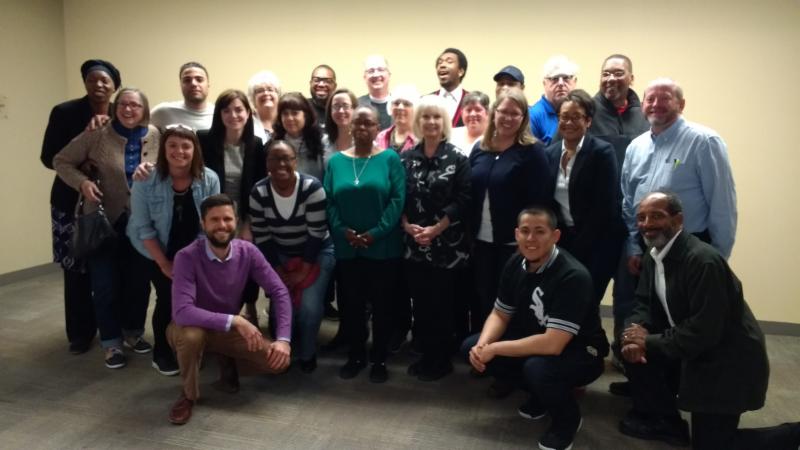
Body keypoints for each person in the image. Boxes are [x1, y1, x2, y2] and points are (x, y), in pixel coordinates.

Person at [618, 191, 800, 449]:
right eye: (641, 217)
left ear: (678, 220)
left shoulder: (703, 261)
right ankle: (667, 422)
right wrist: (633, 334)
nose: (647, 224)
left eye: (656, 216)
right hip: (693, 348)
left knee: (712, 446)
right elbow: (643, 303)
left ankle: (793, 434)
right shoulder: (654, 255)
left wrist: (647, 340)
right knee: (630, 350)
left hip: (727, 361)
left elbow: (704, 331)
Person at [463, 207, 608, 450]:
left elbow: (553, 344)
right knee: (471, 347)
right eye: (525, 231)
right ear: (516, 234)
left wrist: (495, 348)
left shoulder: (573, 275)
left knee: (537, 368)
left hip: (582, 351)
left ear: (555, 236)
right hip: (538, 337)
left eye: (540, 231)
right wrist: (482, 345)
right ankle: (542, 396)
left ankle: (568, 420)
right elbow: (500, 313)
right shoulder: (515, 262)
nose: (531, 238)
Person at [54, 87, 159, 369]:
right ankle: (111, 342)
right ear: (115, 107)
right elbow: (61, 160)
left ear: (144, 109)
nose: (128, 109)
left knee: (138, 283)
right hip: (102, 222)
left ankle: (133, 332)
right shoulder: (97, 134)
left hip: (141, 223)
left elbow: (168, 169)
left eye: (135, 105)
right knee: (104, 285)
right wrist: (83, 183)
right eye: (123, 104)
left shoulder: (156, 135)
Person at [166, 194, 292, 425]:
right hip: (190, 326)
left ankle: (226, 358)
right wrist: (236, 320)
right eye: (214, 220)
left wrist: (283, 339)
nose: (222, 225)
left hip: (226, 328)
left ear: (236, 222)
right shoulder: (186, 257)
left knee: (278, 363)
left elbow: (279, 291)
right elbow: (182, 312)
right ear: (203, 224)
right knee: (192, 337)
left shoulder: (248, 251)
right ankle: (188, 395)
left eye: (227, 219)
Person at [40, 58, 121, 355]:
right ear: (84, 83)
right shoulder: (65, 112)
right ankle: (80, 333)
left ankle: (114, 329)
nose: (98, 84)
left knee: (110, 268)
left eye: (104, 80)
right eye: (92, 79)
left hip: (111, 203)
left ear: (115, 86)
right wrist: (84, 145)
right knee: (75, 267)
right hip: (70, 201)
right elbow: (49, 157)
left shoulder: (122, 111)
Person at [127, 125, 220, 376]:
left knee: (195, 298)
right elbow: (143, 228)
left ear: (195, 149)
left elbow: (209, 223)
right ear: (163, 149)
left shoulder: (209, 178)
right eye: (173, 145)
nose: (179, 151)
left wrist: (195, 260)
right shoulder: (146, 179)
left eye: (186, 146)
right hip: (154, 248)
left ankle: (191, 346)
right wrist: (165, 264)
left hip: (193, 248)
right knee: (168, 297)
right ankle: (162, 352)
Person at [324, 105, 405, 383]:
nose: (362, 128)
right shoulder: (336, 162)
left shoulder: (390, 159)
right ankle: (356, 355)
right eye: (357, 123)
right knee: (352, 306)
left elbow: (397, 200)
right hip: (348, 248)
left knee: (383, 307)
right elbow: (329, 201)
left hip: (383, 248)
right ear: (350, 126)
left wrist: (376, 233)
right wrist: (342, 231)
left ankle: (379, 358)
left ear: (377, 128)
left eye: (368, 123)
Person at [470, 89, 552, 338]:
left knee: (511, 304)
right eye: (503, 111)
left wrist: (527, 241)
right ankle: (481, 349)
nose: (507, 118)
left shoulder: (533, 151)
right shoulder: (480, 148)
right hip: (480, 242)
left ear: (523, 118)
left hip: (514, 245)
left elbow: (540, 202)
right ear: (493, 113)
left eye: (514, 113)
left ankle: (508, 352)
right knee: (482, 298)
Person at [586, 54, 651, 371]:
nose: (611, 79)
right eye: (606, 73)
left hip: (633, 227)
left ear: (631, 78)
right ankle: (588, 348)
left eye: (618, 73)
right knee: (587, 292)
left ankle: (624, 356)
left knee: (627, 296)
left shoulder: (646, 117)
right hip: (595, 225)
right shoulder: (587, 111)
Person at [249, 140, 335, 373]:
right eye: (274, 159)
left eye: (286, 158)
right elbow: (263, 237)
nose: (281, 164)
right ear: (266, 163)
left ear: (295, 162)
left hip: (317, 252)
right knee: (280, 307)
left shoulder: (312, 187)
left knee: (309, 307)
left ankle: (307, 353)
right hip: (280, 253)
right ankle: (282, 353)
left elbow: (316, 233)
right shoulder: (258, 192)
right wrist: (279, 272)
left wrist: (302, 272)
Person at [401, 95, 470, 380]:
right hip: (414, 244)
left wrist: (436, 229)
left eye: (436, 116)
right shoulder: (405, 158)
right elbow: (399, 197)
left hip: (446, 246)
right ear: (418, 121)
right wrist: (407, 226)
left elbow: (464, 200)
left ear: (445, 122)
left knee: (442, 306)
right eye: (426, 116)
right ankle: (426, 355)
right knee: (421, 305)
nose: (431, 122)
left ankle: (440, 361)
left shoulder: (458, 157)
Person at [544, 89, 625, 307]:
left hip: (598, 243)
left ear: (588, 121)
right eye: (564, 117)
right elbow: (549, 203)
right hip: (564, 241)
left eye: (576, 117)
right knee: (563, 300)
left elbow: (604, 207)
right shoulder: (550, 154)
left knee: (586, 301)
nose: (569, 122)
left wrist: (578, 248)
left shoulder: (602, 152)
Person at [198, 89, 266, 324]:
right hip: (213, 214)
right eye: (226, 110)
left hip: (243, 215)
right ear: (219, 114)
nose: (233, 115)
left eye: (239, 110)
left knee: (246, 262)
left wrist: (248, 224)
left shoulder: (256, 145)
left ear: (248, 113)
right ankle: (216, 309)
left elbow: (258, 189)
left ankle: (250, 305)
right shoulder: (204, 140)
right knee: (215, 263)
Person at [273, 92, 327, 182]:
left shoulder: (321, 142)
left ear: (306, 116)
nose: (290, 118)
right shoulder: (274, 145)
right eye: (285, 114)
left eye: (295, 113)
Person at [528, 55, 578, 145]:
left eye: (566, 78)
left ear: (574, 82)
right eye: (554, 79)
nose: (561, 83)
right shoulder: (534, 116)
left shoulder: (581, 112)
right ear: (544, 83)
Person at [150, 62, 214, 131]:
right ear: (180, 85)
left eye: (199, 79)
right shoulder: (161, 112)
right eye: (187, 80)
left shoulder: (218, 114)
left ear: (208, 84)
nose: (193, 84)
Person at [376, 84, 419, 153]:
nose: (400, 107)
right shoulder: (381, 137)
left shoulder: (421, 138)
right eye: (396, 103)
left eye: (406, 104)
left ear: (416, 109)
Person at [433, 48, 469, 127]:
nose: (442, 65)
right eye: (439, 63)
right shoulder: (426, 100)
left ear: (460, 72)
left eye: (449, 62)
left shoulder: (472, 101)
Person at [449, 91, 490, 156]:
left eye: (478, 110)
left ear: (487, 113)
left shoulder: (494, 138)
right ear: (462, 113)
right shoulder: (451, 135)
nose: (472, 114)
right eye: (468, 110)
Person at [358, 55, 392, 130]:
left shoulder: (400, 105)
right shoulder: (356, 106)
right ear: (365, 77)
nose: (376, 75)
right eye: (371, 71)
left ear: (389, 75)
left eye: (381, 70)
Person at [247, 70, 281, 143]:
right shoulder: (246, 122)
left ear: (278, 95)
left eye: (270, 90)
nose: (266, 93)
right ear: (253, 97)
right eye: (260, 91)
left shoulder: (286, 120)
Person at [323, 88, 358, 160]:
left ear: (354, 109)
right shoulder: (324, 143)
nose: (341, 111)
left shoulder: (364, 142)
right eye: (336, 106)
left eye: (345, 106)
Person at [308, 65, 337, 129]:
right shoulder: (302, 108)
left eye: (328, 81)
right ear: (310, 83)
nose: (321, 84)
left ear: (335, 86)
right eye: (316, 80)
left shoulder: (341, 111)